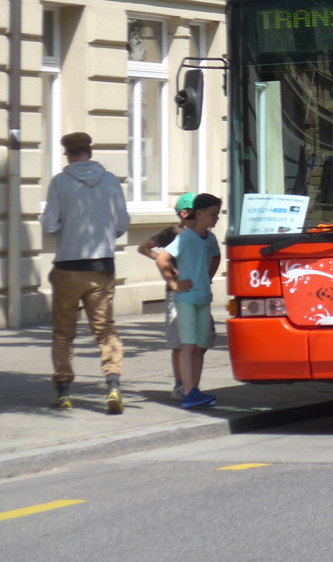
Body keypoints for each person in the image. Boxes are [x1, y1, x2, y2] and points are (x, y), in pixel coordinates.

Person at [41, 131, 131, 414]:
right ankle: (113, 385)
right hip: (101, 267)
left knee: (64, 334)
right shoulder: (110, 181)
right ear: (89, 152)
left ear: (68, 153)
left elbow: (49, 226)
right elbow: (122, 222)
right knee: (105, 330)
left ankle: (63, 392)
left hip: (68, 267)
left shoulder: (60, 182)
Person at [138, 192, 216, 399]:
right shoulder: (174, 233)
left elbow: (215, 256)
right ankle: (181, 385)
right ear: (186, 213)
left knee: (202, 339)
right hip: (179, 294)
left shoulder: (206, 236)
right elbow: (145, 248)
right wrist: (173, 271)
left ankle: (191, 385)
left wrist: (208, 276)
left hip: (198, 292)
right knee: (180, 341)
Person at [156, 193, 223, 410]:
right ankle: (187, 391)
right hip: (185, 300)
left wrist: (208, 276)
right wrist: (174, 283)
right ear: (200, 213)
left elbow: (216, 256)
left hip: (203, 298)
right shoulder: (185, 238)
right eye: (213, 214)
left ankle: (194, 388)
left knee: (201, 344)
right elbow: (162, 258)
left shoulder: (210, 239)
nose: (216, 218)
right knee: (188, 344)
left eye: (218, 214)